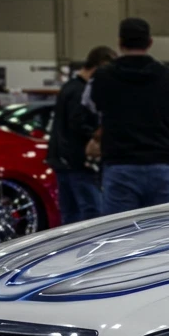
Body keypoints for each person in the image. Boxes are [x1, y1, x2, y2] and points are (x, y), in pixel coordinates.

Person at [83, 17, 169, 214]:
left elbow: (89, 105)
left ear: (120, 43)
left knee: (120, 236)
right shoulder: (168, 75)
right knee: (161, 233)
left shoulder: (103, 76)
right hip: (159, 166)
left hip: (120, 166)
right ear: (150, 42)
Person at [46, 45, 116, 224]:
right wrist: (98, 135)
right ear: (101, 65)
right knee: (92, 213)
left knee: (70, 214)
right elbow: (78, 123)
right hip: (78, 162)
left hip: (62, 159)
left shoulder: (69, 86)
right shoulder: (81, 91)